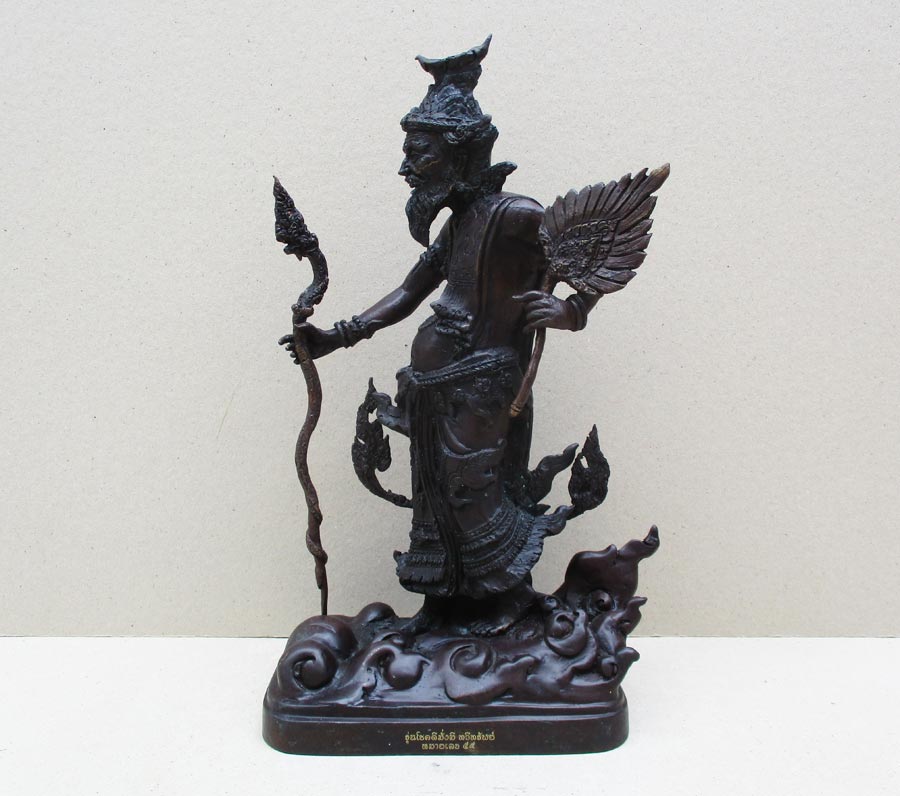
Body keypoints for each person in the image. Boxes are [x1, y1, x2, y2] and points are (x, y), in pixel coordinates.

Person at [280, 37, 598, 634]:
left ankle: (506, 604)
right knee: (435, 501)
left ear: (461, 153)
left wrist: (572, 310)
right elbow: (408, 293)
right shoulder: (460, 226)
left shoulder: (516, 215)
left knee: (470, 493)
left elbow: (585, 254)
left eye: (418, 154)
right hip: (433, 391)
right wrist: (335, 337)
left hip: (483, 385)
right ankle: (447, 608)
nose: (406, 168)